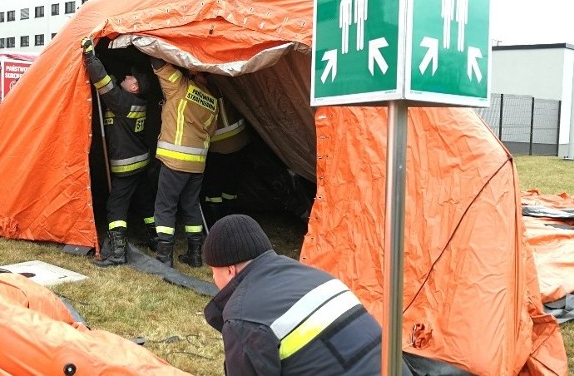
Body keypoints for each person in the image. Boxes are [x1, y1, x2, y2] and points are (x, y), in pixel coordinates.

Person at [203, 214, 412, 375]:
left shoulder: (243, 315)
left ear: (230, 270)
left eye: (213, 271)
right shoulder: (312, 275)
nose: (213, 279)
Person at [82, 37, 157, 266]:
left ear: (134, 87)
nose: (125, 77)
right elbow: (113, 86)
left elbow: (103, 84)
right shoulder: (139, 102)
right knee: (145, 202)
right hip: (141, 162)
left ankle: (117, 253)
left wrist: (91, 57)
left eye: (130, 77)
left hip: (126, 165)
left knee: (116, 207)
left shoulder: (123, 102)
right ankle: (155, 238)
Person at [150, 57, 217, 267]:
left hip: (174, 162)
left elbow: (158, 64)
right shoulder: (212, 101)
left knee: (165, 207)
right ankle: (195, 255)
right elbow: (211, 132)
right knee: (191, 206)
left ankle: (164, 258)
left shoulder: (180, 86)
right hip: (197, 164)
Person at [201, 88, 251, 227]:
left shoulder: (203, 89)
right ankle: (230, 221)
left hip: (218, 147)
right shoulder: (226, 83)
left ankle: (217, 226)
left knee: (214, 191)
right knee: (230, 188)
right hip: (240, 142)